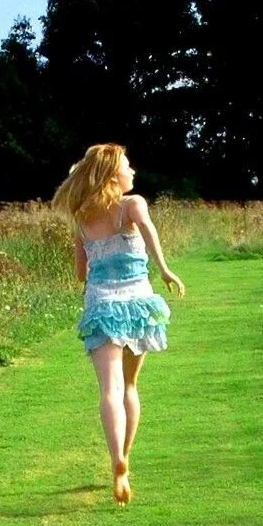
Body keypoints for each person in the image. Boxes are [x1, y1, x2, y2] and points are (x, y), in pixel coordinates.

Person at [51, 143, 183, 505]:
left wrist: (93, 254)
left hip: (103, 304)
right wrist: (165, 270)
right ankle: (127, 456)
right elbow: (150, 235)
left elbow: (81, 273)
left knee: (109, 390)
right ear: (113, 175)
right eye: (128, 166)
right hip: (139, 301)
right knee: (129, 386)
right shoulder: (133, 205)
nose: (133, 172)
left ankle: (116, 461)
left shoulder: (81, 217)